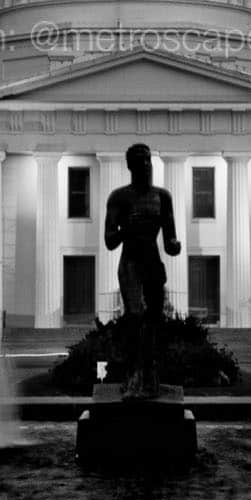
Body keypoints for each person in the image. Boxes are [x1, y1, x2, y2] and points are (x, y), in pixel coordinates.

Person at [103, 143, 181, 397]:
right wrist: (127, 228)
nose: (144, 165)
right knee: (135, 317)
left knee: (154, 320)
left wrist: (173, 245)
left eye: (147, 160)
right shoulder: (119, 197)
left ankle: (149, 375)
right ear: (130, 166)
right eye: (138, 161)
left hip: (152, 262)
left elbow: (170, 240)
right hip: (130, 264)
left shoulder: (163, 197)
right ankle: (133, 376)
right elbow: (109, 241)